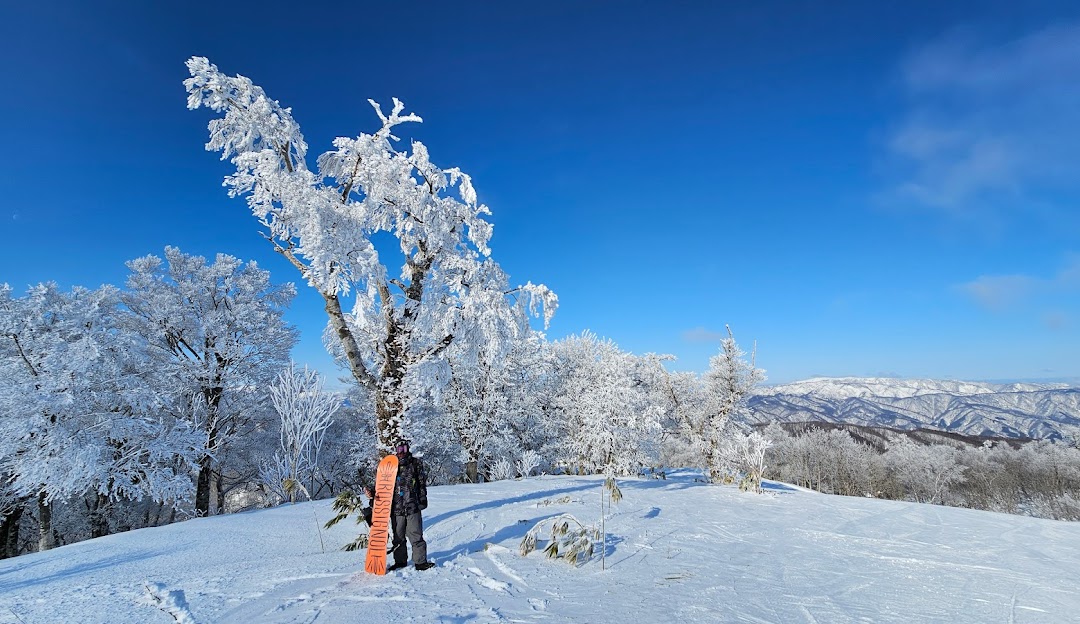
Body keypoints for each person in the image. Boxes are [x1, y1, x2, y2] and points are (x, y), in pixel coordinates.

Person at [366, 439, 433, 571]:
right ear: (395, 451)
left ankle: (420, 562)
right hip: (395, 509)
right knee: (398, 537)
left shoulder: (415, 464)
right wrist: (372, 494)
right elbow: (381, 486)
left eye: (404, 449)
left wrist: (422, 499)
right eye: (399, 449)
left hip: (412, 506)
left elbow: (421, 483)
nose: (402, 452)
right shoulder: (390, 466)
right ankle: (400, 561)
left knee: (416, 535)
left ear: (408, 449)